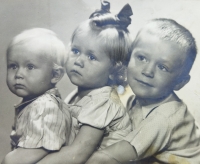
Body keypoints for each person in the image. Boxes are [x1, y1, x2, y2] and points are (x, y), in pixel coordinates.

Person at [86, 18, 200, 164]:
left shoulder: (164, 117)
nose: (147, 71)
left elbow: (105, 158)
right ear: (128, 58)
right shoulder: (137, 101)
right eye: (142, 58)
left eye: (162, 67)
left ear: (180, 82)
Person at [37, 1, 133, 164]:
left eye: (92, 57)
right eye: (75, 51)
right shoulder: (77, 95)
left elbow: (77, 154)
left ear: (114, 69)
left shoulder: (103, 101)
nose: (79, 61)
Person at [2, 28, 71, 164]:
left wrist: (8, 160)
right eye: (13, 66)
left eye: (30, 67)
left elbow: (37, 149)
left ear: (55, 75)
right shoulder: (35, 102)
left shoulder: (45, 107)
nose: (19, 74)